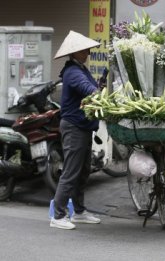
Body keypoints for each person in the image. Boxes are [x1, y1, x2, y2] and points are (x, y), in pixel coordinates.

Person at [50, 31, 101, 230]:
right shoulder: (72, 72)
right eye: (85, 49)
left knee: (83, 171)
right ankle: (58, 215)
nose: (88, 51)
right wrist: (99, 93)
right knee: (71, 171)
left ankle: (79, 211)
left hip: (83, 126)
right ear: (75, 52)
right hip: (74, 127)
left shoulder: (80, 68)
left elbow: (91, 87)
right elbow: (87, 89)